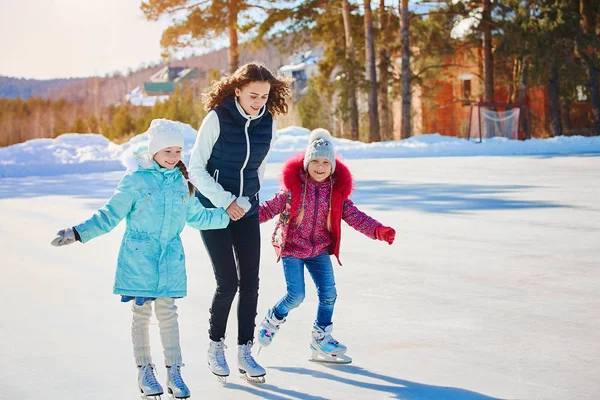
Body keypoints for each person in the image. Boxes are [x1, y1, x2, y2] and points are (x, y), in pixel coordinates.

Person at [50, 119, 230, 399]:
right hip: (139, 259)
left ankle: (174, 371)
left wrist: (229, 215)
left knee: (169, 315)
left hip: (169, 259)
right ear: (154, 151)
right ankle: (145, 369)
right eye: (167, 151)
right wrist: (77, 232)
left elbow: (199, 217)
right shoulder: (136, 181)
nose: (173, 158)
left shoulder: (183, 184)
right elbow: (109, 215)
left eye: (177, 152)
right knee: (142, 315)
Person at [188, 62, 291, 383]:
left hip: (245, 207)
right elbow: (195, 168)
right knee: (228, 282)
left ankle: (245, 350)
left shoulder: (268, 124)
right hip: (214, 209)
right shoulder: (217, 118)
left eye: (264, 95)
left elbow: (257, 169)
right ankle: (215, 345)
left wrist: (245, 201)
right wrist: (225, 201)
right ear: (237, 91)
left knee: (251, 282)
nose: (259, 101)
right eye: (253, 95)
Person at [256, 128, 396, 364]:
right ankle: (273, 319)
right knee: (296, 295)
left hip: (319, 250)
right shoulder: (293, 189)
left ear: (332, 166)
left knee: (329, 294)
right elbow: (269, 208)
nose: (319, 167)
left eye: (325, 162)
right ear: (306, 163)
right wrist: (244, 220)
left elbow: (355, 217)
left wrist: (377, 231)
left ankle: (321, 338)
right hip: (292, 249)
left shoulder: (337, 193)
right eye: (315, 161)